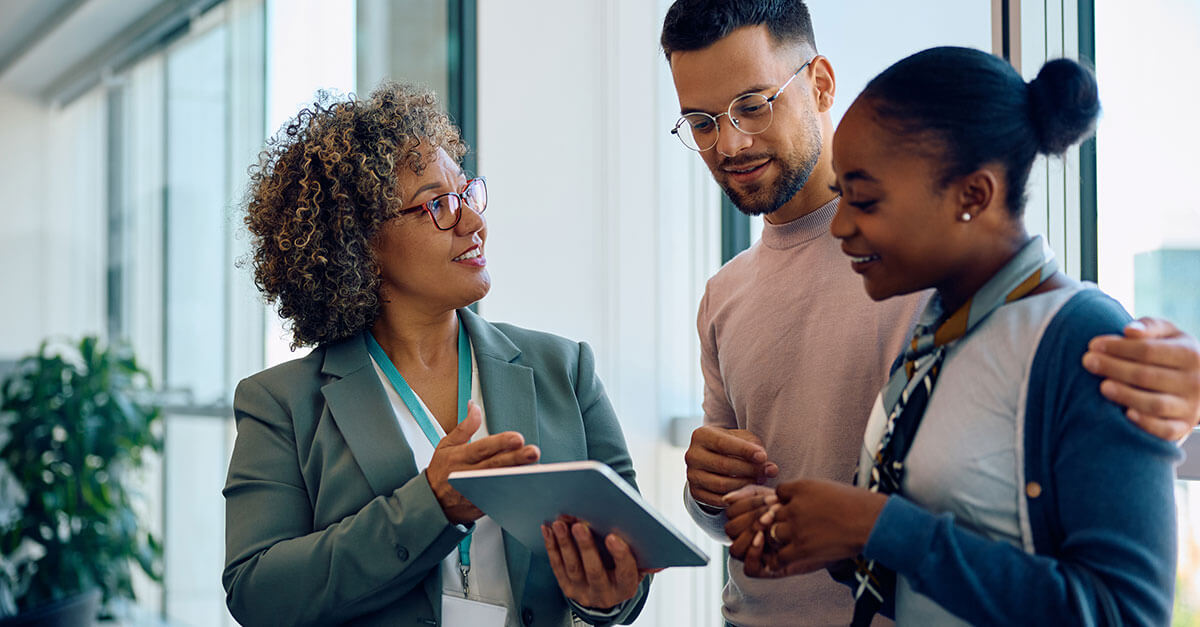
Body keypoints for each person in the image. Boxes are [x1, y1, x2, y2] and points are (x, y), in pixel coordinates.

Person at [659, 1, 1200, 624]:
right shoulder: (737, 296)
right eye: (700, 121)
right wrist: (712, 496)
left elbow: (1113, 590)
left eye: (753, 105)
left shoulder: (945, 284)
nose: (729, 141)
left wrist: (1178, 388)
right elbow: (874, 526)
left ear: (820, 84)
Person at [222, 83, 651, 626]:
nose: (473, 222)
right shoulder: (280, 403)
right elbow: (257, 591)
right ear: (359, 241)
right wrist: (430, 505)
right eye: (439, 204)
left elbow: (629, 565)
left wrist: (606, 596)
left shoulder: (565, 370)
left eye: (467, 193)